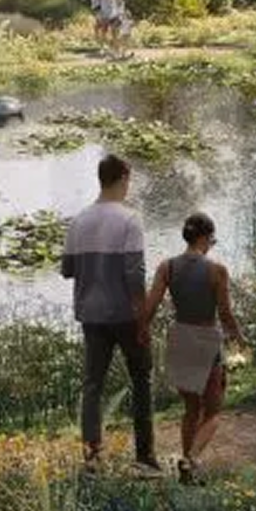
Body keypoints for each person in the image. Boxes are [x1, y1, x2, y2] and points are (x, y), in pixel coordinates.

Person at [60, 154, 161, 475]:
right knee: (141, 380)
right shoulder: (130, 220)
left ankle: (92, 456)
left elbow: (67, 270)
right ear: (123, 178)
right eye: (128, 180)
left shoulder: (79, 221)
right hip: (126, 315)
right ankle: (144, 458)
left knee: (92, 385)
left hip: (91, 314)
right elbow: (135, 274)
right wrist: (143, 316)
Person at [141, 212, 246, 485]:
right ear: (205, 237)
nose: (212, 243)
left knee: (191, 409)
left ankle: (189, 473)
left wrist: (141, 330)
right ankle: (191, 459)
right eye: (212, 239)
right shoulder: (217, 270)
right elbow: (225, 313)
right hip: (206, 340)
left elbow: (150, 305)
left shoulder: (167, 267)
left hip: (180, 338)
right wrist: (239, 338)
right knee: (213, 411)